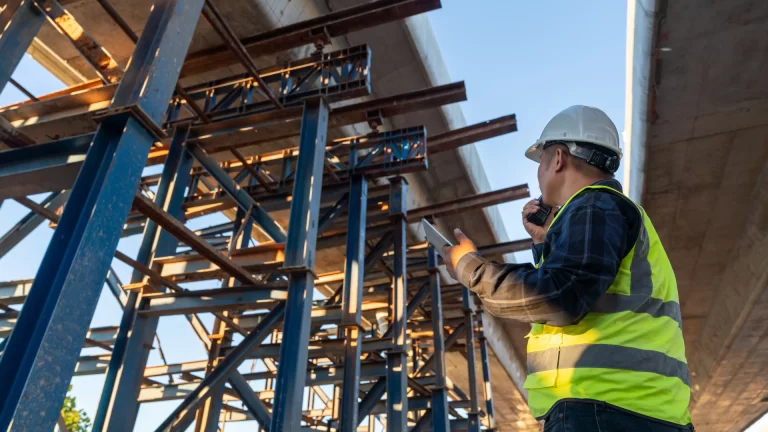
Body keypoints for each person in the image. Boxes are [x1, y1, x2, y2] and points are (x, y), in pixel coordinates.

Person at [442, 106, 693, 431]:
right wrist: (549, 243)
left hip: (604, 409)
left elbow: (561, 296)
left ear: (558, 158)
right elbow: (585, 288)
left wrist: (469, 268)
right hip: (632, 409)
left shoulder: (596, 206)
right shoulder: (607, 211)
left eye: (541, 162)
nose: (540, 173)